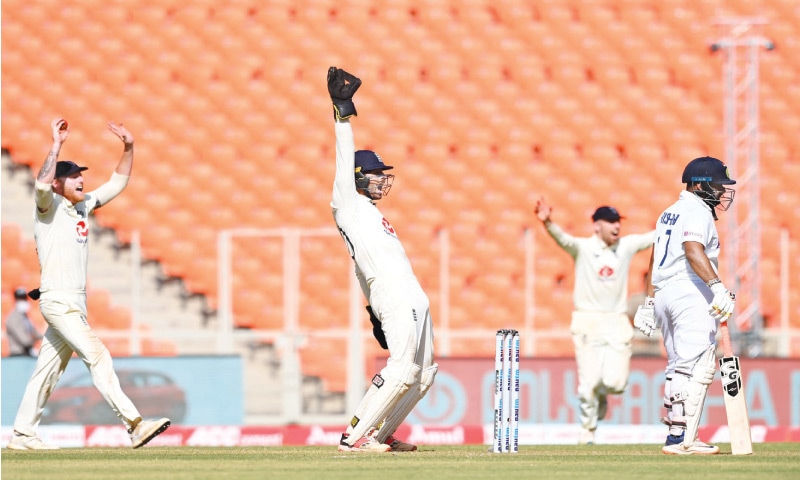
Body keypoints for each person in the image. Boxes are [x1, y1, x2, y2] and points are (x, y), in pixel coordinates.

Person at [7, 118, 170, 450]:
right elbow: (40, 184)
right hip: (59, 301)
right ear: (58, 184)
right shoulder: (48, 208)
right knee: (97, 355)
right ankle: (135, 424)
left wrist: (129, 147)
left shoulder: (81, 206)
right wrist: (56, 146)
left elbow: (118, 182)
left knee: (47, 372)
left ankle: (23, 434)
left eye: (81, 175)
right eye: (72, 176)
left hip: (72, 302)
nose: (81, 179)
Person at [327, 67, 437, 453]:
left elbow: (361, 268)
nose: (381, 180)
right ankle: (353, 437)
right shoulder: (348, 203)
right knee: (402, 369)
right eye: (374, 174)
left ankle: (379, 432)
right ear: (357, 177)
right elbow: (343, 159)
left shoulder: (370, 213)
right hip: (395, 294)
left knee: (423, 376)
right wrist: (343, 110)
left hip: (409, 294)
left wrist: (372, 311)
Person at [633, 156, 737, 455]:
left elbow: (655, 258)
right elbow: (692, 250)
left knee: (678, 366)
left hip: (665, 291)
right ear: (699, 184)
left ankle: (677, 435)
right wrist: (717, 287)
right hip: (689, 291)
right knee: (695, 367)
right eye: (717, 186)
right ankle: (684, 439)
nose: (720, 193)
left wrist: (650, 300)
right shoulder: (697, 211)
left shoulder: (669, 212)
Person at [534, 198, 654, 445]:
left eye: (618, 222)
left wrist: (679, 220)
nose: (616, 227)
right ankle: (587, 430)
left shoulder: (626, 246)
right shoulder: (584, 248)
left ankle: (603, 393)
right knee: (588, 382)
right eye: (610, 222)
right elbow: (563, 240)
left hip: (616, 321)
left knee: (616, 383)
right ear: (596, 226)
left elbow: (653, 236)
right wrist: (547, 222)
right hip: (587, 321)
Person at [5, 287, 44, 356]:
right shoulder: (12, 318)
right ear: (15, 300)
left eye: (24, 299)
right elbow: (25, 340)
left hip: (27, 353)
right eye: (20, 299)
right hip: (18, 355)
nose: (22, 301)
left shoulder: (26, 316)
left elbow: (36, 333)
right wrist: (34, 337)